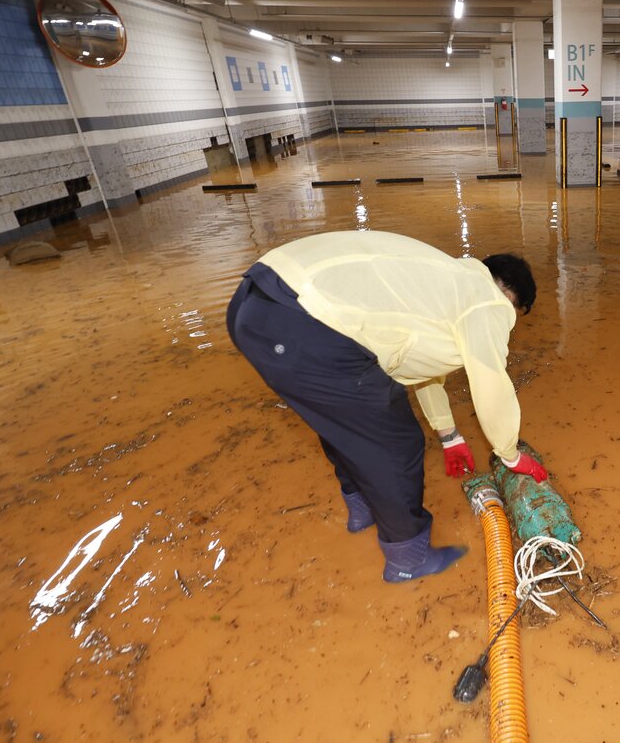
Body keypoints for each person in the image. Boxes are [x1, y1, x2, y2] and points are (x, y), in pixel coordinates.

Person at [225, 230, 547, 583]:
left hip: (256, 300)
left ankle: (361, 511)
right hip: (301, 320)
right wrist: (509, 452)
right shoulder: (487, 302)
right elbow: (490, 378)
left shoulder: (446, 281)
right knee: (396, 442)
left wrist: (450, 435)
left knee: (348, 424)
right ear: (511, 301)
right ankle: (407, 557)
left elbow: (425, 366)